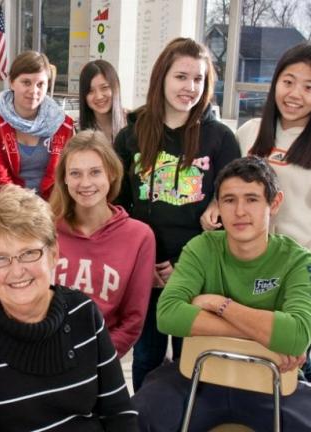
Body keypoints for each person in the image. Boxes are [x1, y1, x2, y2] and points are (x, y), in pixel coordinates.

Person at [0, 184, 138, 431]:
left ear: (53, 253)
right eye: (0, 258)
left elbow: (119, 414)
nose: (16, 270)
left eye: (29, 253)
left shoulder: (83, 313)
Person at [133, 156, 311, 431]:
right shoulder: (202, 247)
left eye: (252, 199)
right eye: (229, 200)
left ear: (274, 203)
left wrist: (219, 305)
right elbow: (167, 315)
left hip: (273, 384)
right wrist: (266, 337)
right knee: (136, 416)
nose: (239, 211)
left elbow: (297, 335)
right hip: (200, 378)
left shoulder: (297, 260)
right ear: (218, 205)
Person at [114, 37, 241, 389]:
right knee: (146, 360)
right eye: (181, 77)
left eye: (198, 79)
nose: (190, 88)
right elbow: (120, 209)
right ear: (162, 79)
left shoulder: (221, 139)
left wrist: (185, 267)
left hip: (198, 275)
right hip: (148, 272)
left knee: (195, 362)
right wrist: (147, 265)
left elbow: (232, 210)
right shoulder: (131, 137)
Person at [50, 130, 155, 358]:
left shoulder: (140, 237)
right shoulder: (46, 229)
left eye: (95, 172)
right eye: (75, 173)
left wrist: (95, 359)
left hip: (100, 360)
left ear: (112, 174)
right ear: (64, 179)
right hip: (45, 353)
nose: (85, 183)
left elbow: (132, 322)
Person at [235, 42, 311, 249]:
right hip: (248, 256)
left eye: (308, 87)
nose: (295, 94)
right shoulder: (249, 131)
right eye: (288, 82)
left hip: (300, 262)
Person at [0, 51, 74, 200]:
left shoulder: (63, 125)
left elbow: (65, 178)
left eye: (40, 84)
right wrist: (31, 210)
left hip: (54, 203)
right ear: (11, 82)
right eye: (26, 82)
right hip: (8, 202)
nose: (34, 91)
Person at [79, 59, 126, 142]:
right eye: (90, 91)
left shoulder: (133, 124)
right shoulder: (76, 131)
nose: (99, 96)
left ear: (116, 87)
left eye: (104, 87)